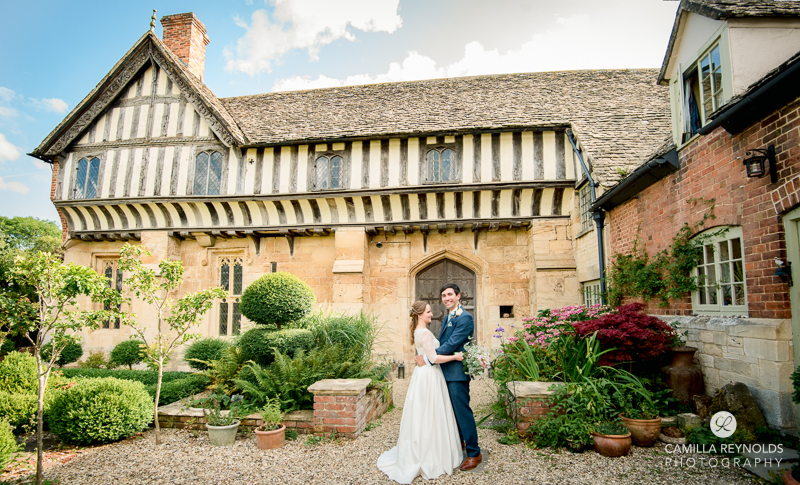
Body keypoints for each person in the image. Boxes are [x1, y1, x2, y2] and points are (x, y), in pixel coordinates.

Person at [377, 301, 465, 483]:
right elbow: (434, 358)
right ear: (419, 314)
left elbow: (425, 355)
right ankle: (431, 454)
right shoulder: (423, 333)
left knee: (424, 412)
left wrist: (424, 358)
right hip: (429, 375)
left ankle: (429, 448)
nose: (431, 314)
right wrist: (455, 357)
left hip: (423, 374)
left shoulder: (418, 331)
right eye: (428, 312)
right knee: (430, 412)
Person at [415, 283, 482, 470]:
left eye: (450, 294)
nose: (446, 298)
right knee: (450, 412)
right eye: (443, 295)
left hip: (457, 374)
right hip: (444, 371)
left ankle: (474, 453)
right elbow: (442, 342)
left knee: (462, 412)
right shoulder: (448, 317)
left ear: (458, 296)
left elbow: (452, 343)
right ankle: (459, 443)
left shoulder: (465, 318)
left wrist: (428, 359)